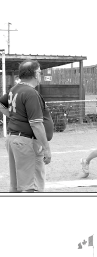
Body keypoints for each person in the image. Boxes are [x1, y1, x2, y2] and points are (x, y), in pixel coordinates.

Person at [0, 60, 52, 192]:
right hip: (26, 142)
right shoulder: (30, 92)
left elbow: (1, 104)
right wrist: (46, 148)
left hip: (14, 139)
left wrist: (13, 115)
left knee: (18, 185)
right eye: (40, 72)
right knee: (32, 186)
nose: (40, 74)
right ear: (35, 74)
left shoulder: (15, 89)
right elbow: (36, 124)